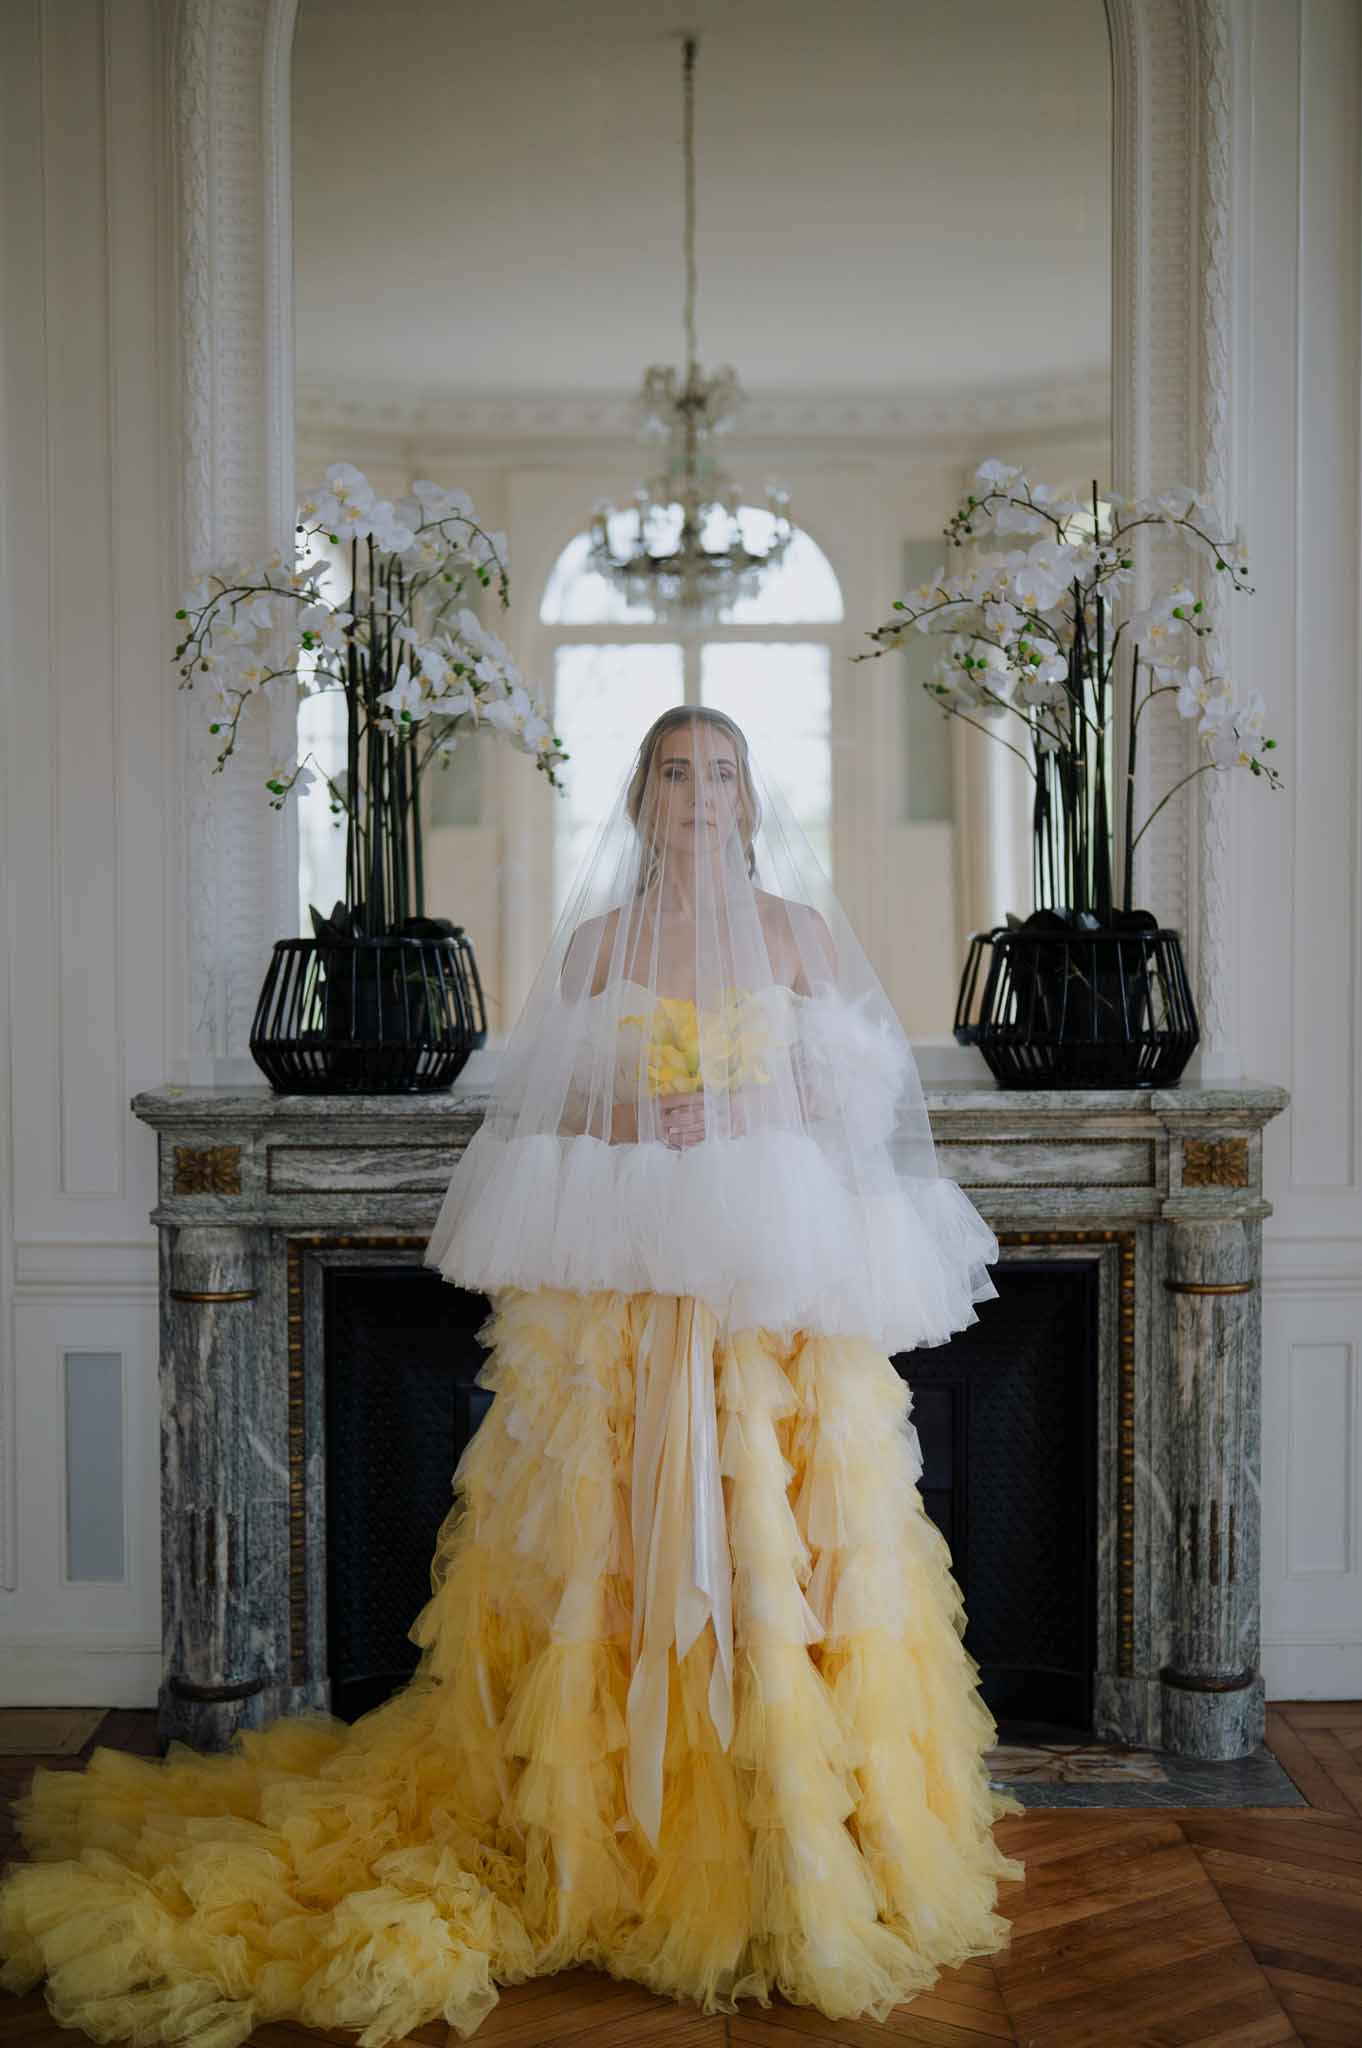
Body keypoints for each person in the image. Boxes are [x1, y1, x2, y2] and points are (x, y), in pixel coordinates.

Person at [0, 705, 1025, 2044]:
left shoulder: (798, 935)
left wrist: (739, 1106)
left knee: (778, 1528)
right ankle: (605, 1832)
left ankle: (788, 1833)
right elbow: (549, 1097)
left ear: (748, 795)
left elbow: (860, 1100)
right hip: (626, 1265)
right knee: (616, 1523)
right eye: (675, 771)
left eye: (721, 772)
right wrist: (641, 1111)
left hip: (770, 1272)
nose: (699, 794)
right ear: (643, 794)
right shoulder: (601, 941)